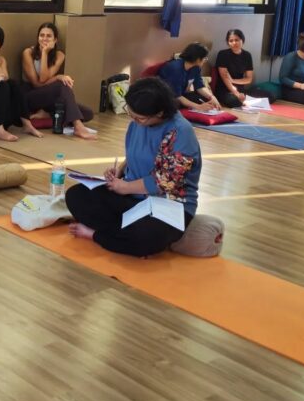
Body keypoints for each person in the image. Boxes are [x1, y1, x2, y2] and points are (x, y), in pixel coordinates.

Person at [66, 77, 201, 257]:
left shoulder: (180, 132)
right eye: (130, 114)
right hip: (133, 197)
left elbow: (166, 181)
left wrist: (126, 187)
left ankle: (96, 234)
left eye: (139, 118)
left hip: (168, 205)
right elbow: (135, 155)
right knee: (76, 195)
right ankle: (120, 233)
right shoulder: (139, 121)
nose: (134, 120)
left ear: (160, 113)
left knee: (144, 236)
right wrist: (119, 172)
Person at [21, 22, 95, 139]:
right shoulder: (28, 53)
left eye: (49, 36)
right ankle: (77, 126)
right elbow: (37, 83)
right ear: (37, 37)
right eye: (41, 35)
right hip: (31, 96)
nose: (44, 38)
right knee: (62, 84)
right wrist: (57, 76)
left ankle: (47, 114)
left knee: (88, 113)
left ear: (55, 40)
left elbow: (44, 80)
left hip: (48, 98)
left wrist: (46, 55)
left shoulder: (59, 55)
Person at [213, 29, 274, 107]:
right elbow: (225, 78)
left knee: (270, 96)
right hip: (225, 90)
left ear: (242, 40)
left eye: (237, 40)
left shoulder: (247, 55)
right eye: (231, 41)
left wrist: (233, 80)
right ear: (228, 43)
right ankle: (245, 101)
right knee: (235, 102)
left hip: (241, 89)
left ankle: (246, 101)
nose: (234, 43)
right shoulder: (222, 54)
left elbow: (249, 79)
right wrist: (237, 94)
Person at [158, 43, 221, 112]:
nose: (205, 60)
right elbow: (177, 96)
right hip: (167, 96)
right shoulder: (175, 68)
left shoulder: (196, 68)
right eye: (204, 58)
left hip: (181, 94)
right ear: (197, 59)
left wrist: (212, 97)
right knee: (175, 104)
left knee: (206, 99)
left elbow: (199, 86)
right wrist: (198, 107)